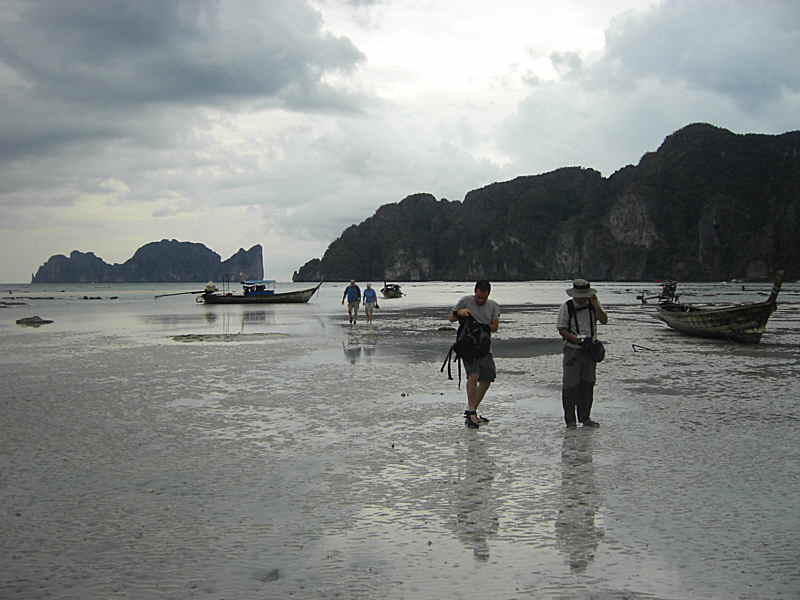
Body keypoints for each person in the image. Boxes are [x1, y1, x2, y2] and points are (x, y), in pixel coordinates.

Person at [557, 279, 608, 428]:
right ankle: (571, 421)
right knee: (570, 386)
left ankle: (585, 418)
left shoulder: (593, 306)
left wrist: (596, 304)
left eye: (584, 295)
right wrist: (577, 339)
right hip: (572, 350)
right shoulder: (567, 307)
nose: (581, 298)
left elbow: (604, 320)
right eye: (579, 295)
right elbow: (561, 329)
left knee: (588, 384)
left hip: (590, 351)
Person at [449, 280, 500, 428]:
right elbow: (451, 318)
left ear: (488, 294)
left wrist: (481, 327)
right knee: (473, 376)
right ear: (475, 291)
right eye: (478, 297)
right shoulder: (465, 301)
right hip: (467, 347)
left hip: (485, 348)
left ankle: (471, 410)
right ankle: (471, 413)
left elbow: (495, 327)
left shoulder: (494, 306)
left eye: (483, 298)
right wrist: (459, 313)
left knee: (488, 378)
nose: (480, 300)